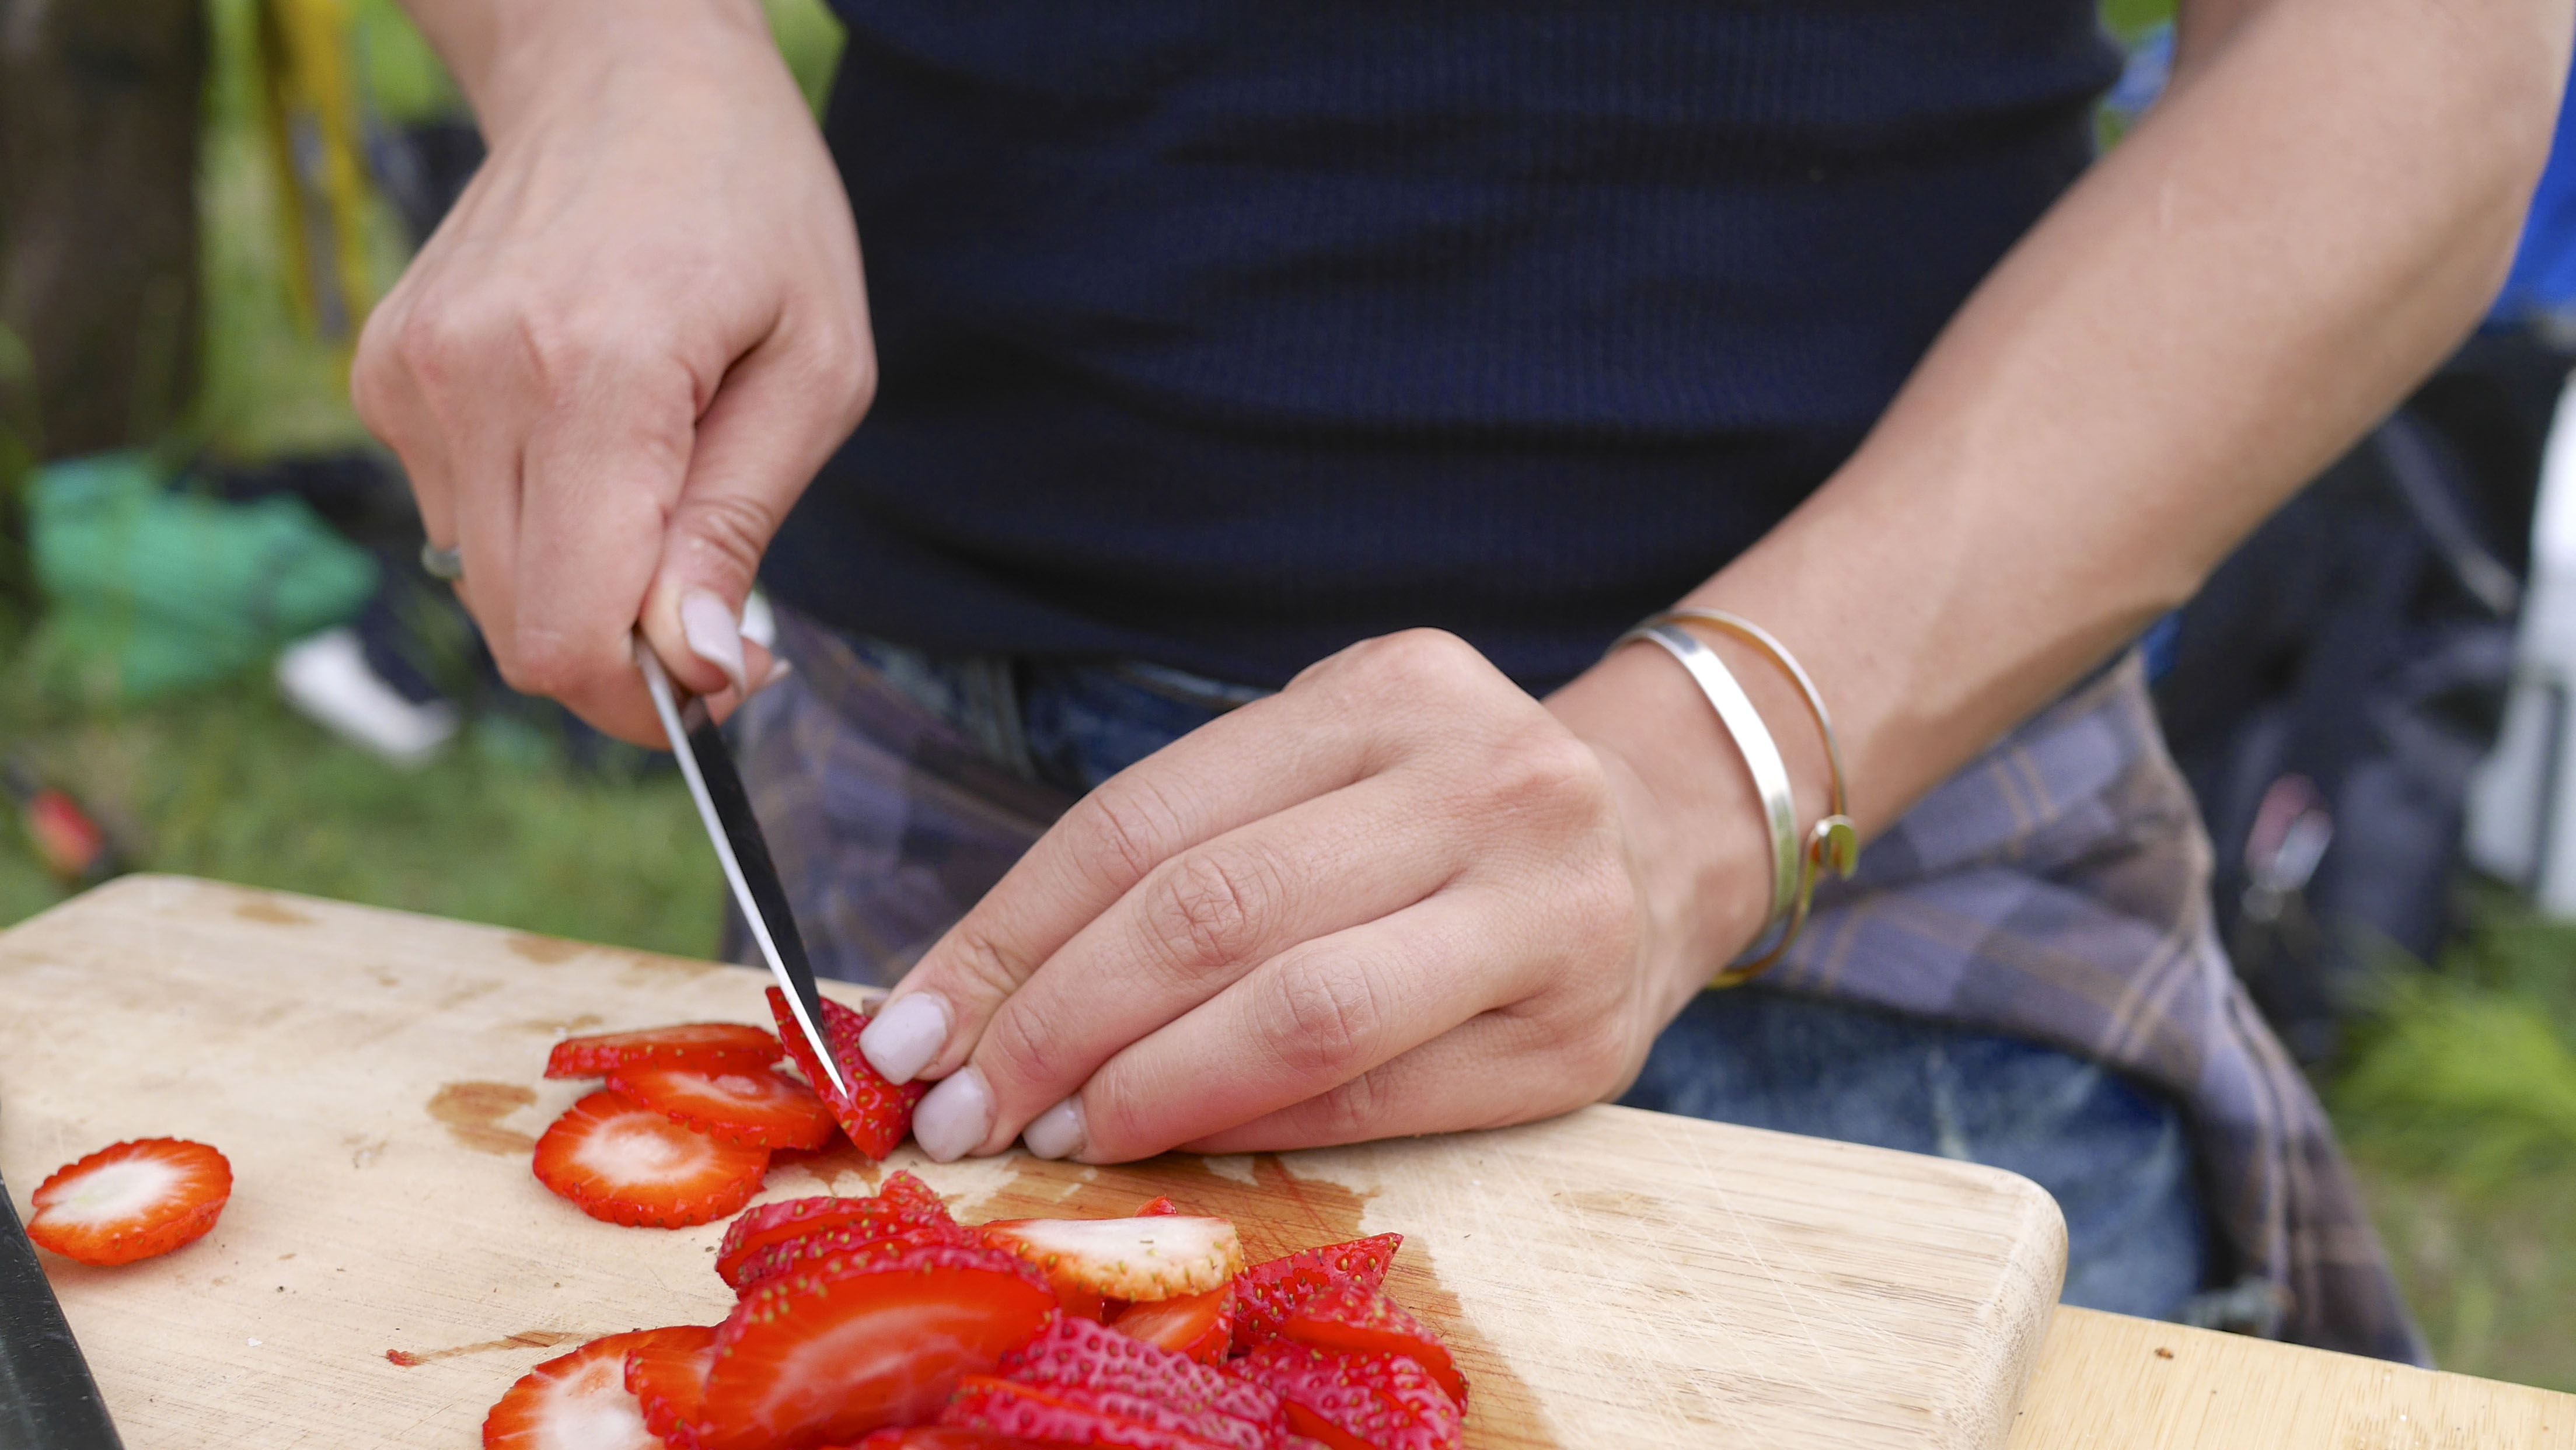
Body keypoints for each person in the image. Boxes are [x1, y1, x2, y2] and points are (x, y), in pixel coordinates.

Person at [351, 0, 2571, 1363]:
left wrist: (1710, 781)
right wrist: (619, 53)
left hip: (1850, 875)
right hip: (924, 833)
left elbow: (2422, 53)